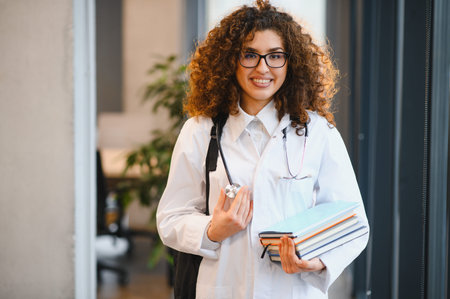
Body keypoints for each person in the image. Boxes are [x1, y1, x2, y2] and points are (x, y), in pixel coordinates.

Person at [156, 1, 369, 298]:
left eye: (275, 56)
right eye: (250, 55)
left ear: (290, 63)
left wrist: (316, 262)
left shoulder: (317, 132)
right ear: (231, 60)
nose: (262, 68)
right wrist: (212, 230)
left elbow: (355, 222)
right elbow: (171, 218)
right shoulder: (201, 131)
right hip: (221, 289)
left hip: (292, 290)